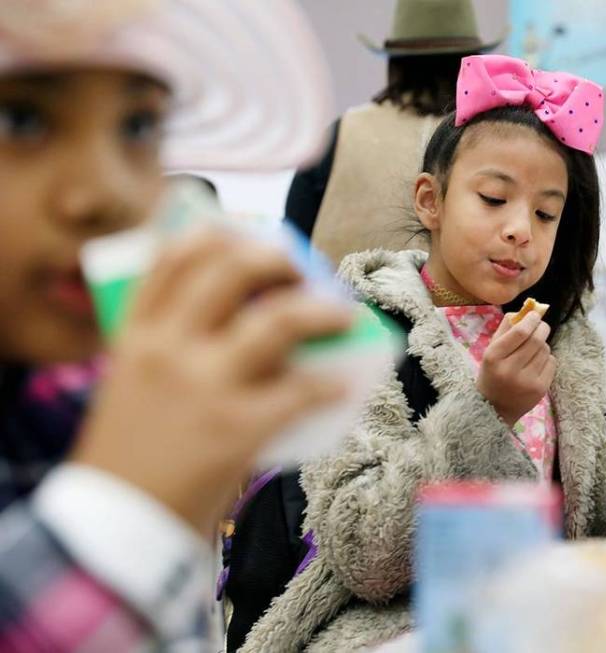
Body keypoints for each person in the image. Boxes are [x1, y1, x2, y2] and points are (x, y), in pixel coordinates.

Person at [240, 55, 606, 652]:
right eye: (493, 198)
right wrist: (488, 412)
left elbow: (593, 526)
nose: (521, 229)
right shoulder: (358, 334)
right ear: (429, 200)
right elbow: (363, 553)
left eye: (545, 213)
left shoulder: (563, 342)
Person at [0, 1, 353, 649]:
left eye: (137, 125)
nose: (104, 192)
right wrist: (126, 504)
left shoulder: (90, 392)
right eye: (21, 119)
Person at [284, 0, 505, 263]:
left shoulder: (342, 133)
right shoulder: (496, 141)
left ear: (394, 63)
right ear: (473, 61)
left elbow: (291, 243)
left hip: (339, 303)